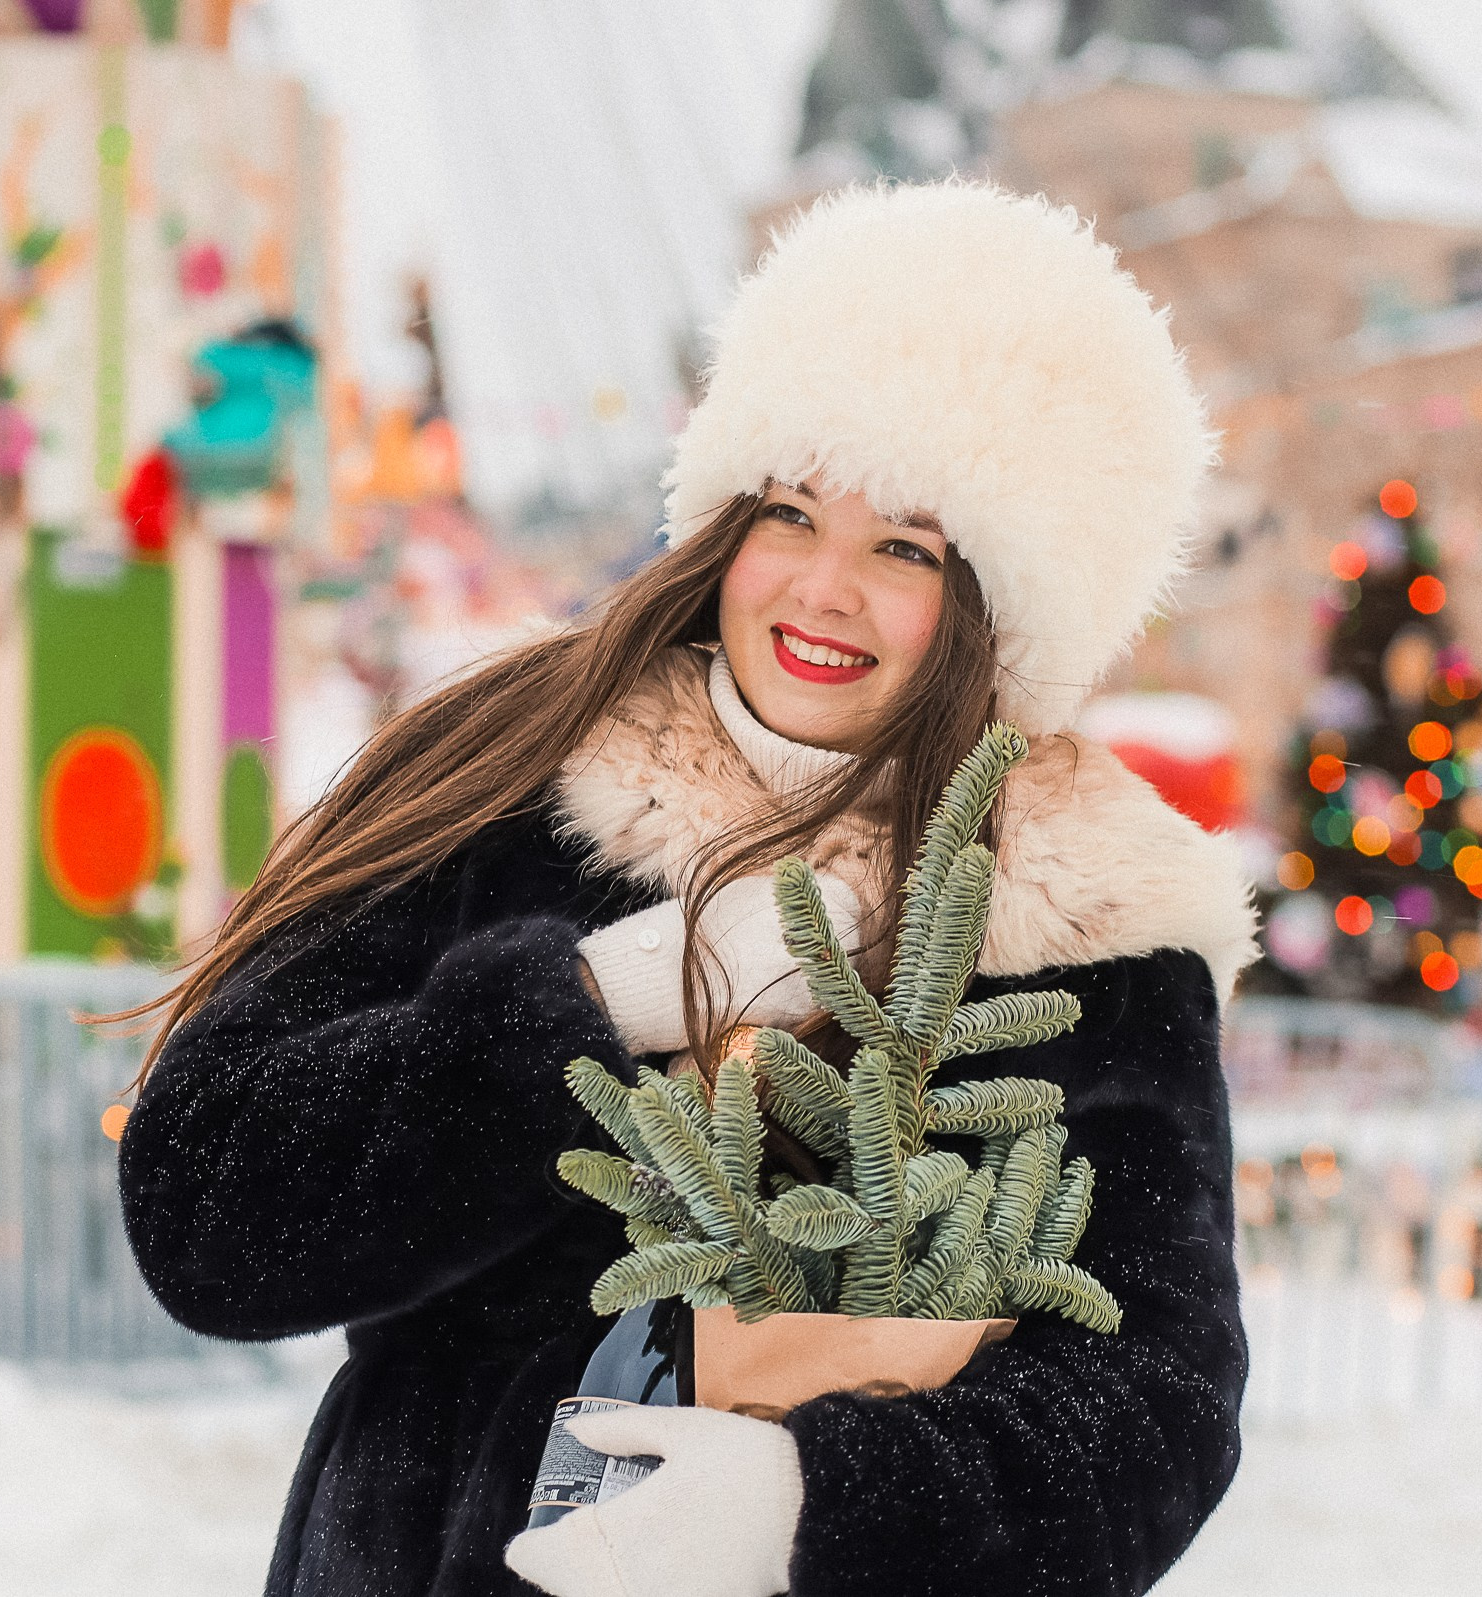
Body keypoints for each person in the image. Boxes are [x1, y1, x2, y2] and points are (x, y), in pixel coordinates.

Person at [118, 182, 1259, 1597]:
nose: (823, 588)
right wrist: (584, 1009)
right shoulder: (516, 768)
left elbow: (1162, 1399)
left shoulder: (1091, 923)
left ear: (999, 604)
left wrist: (816, 1503)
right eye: (791, 511)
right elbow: (208, 1206)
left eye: (905, 545)